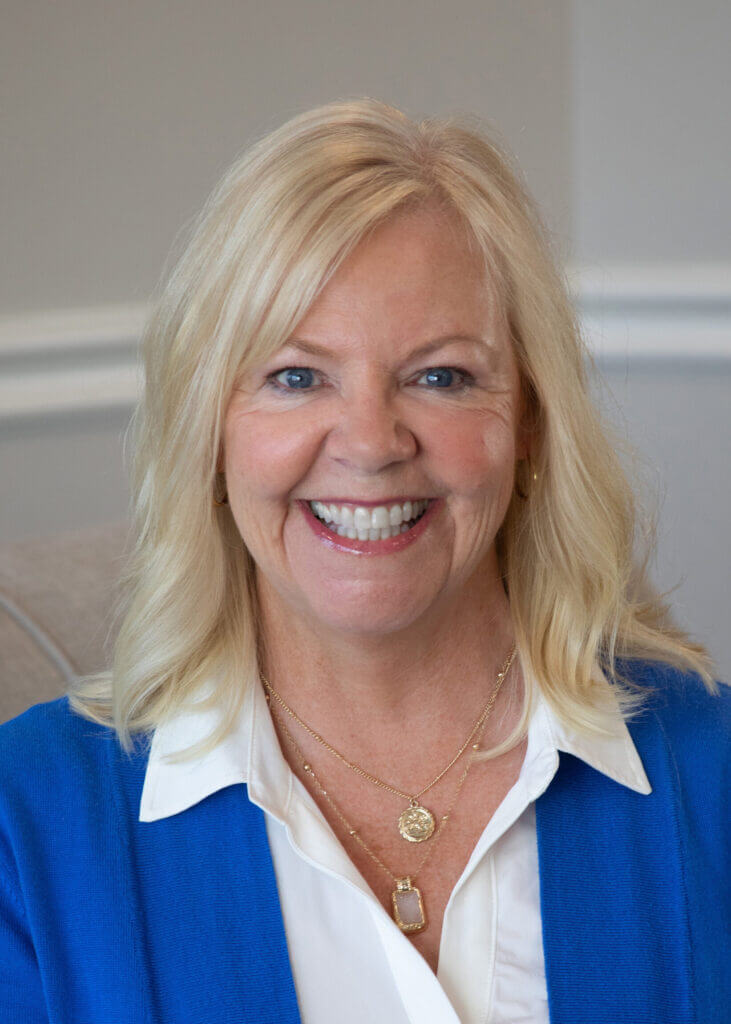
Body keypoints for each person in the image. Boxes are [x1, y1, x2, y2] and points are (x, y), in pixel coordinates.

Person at [0, 99, 728, 1024]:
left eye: (441, 376)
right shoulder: (27, 827)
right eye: (296, 376)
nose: (372, 443)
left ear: (531, 426)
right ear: (209, 437)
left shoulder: (711, 773)